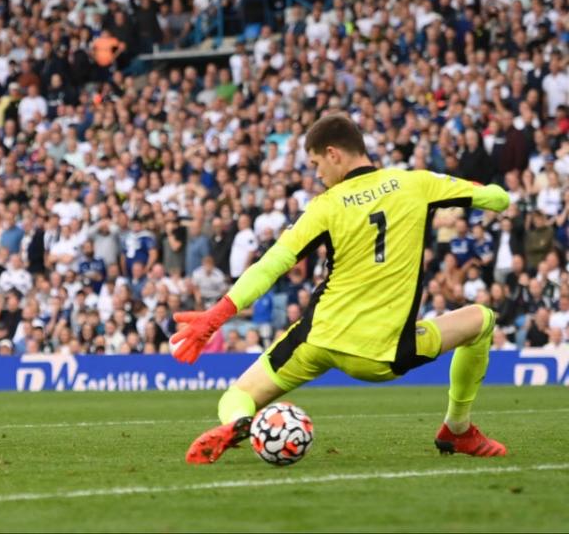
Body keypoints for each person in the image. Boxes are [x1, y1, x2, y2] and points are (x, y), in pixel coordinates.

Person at [171, 114, 511, 464]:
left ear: (334, 154)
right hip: (383, 352)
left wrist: (217, 315)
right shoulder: (416, 183)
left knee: (236, 395)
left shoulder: (325, 206)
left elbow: (271, 265)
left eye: (316, 163)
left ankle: (244, 423)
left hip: (317, 339)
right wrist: (470, 192)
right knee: (481, 319)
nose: (317, 174)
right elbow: (499, 199)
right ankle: (457, 429)